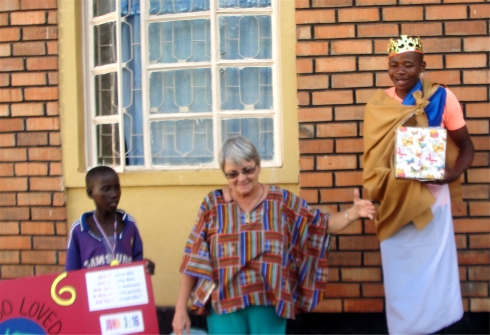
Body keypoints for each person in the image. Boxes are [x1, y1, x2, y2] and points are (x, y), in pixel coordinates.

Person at [172, 136, 375, 335]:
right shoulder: (212, 205)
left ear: (259, 166)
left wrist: (353, 213)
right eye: (232, 174)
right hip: (224, 304)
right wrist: (180, 310)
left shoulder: (282, 202)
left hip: (269, 303)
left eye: (247, 170)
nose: (241, 178)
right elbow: (193, 258)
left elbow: (321, 225)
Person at [363, 35, 475, 334]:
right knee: (400, 273)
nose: (400, 71)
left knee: (435, 272)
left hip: (432, 201)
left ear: (422, 67)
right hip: (394, 201)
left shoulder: (442, 97)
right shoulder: (378, 103)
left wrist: (452, 175)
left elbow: (466, 147)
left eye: (408, 65)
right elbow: (373, 157)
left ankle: (438, 325)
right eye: (393, 65)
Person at [65, 166, 155, 274]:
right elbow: (71, 274)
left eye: (117, 188)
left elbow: (137, 263)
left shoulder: (129, 224)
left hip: (124, 289)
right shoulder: (79, 229)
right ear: (90, 193)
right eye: (106, 189)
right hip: (94, 290)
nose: (114, 194)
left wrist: (146, 268)